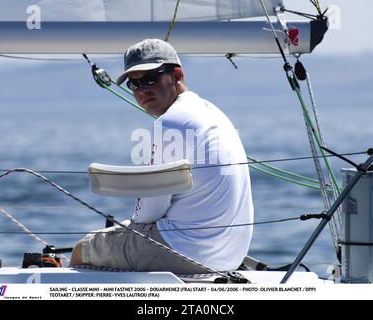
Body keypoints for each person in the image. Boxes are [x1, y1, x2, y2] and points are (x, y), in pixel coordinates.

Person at [70, 39, 254, 273]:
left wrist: (121, 233)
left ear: (176, 75)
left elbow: (149, 212)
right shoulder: (212, 112)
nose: (142, 90)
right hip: (230, 256)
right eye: (134, 84)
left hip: (185, 250)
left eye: (150, 78)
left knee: (82, 249)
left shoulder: (171, 122)